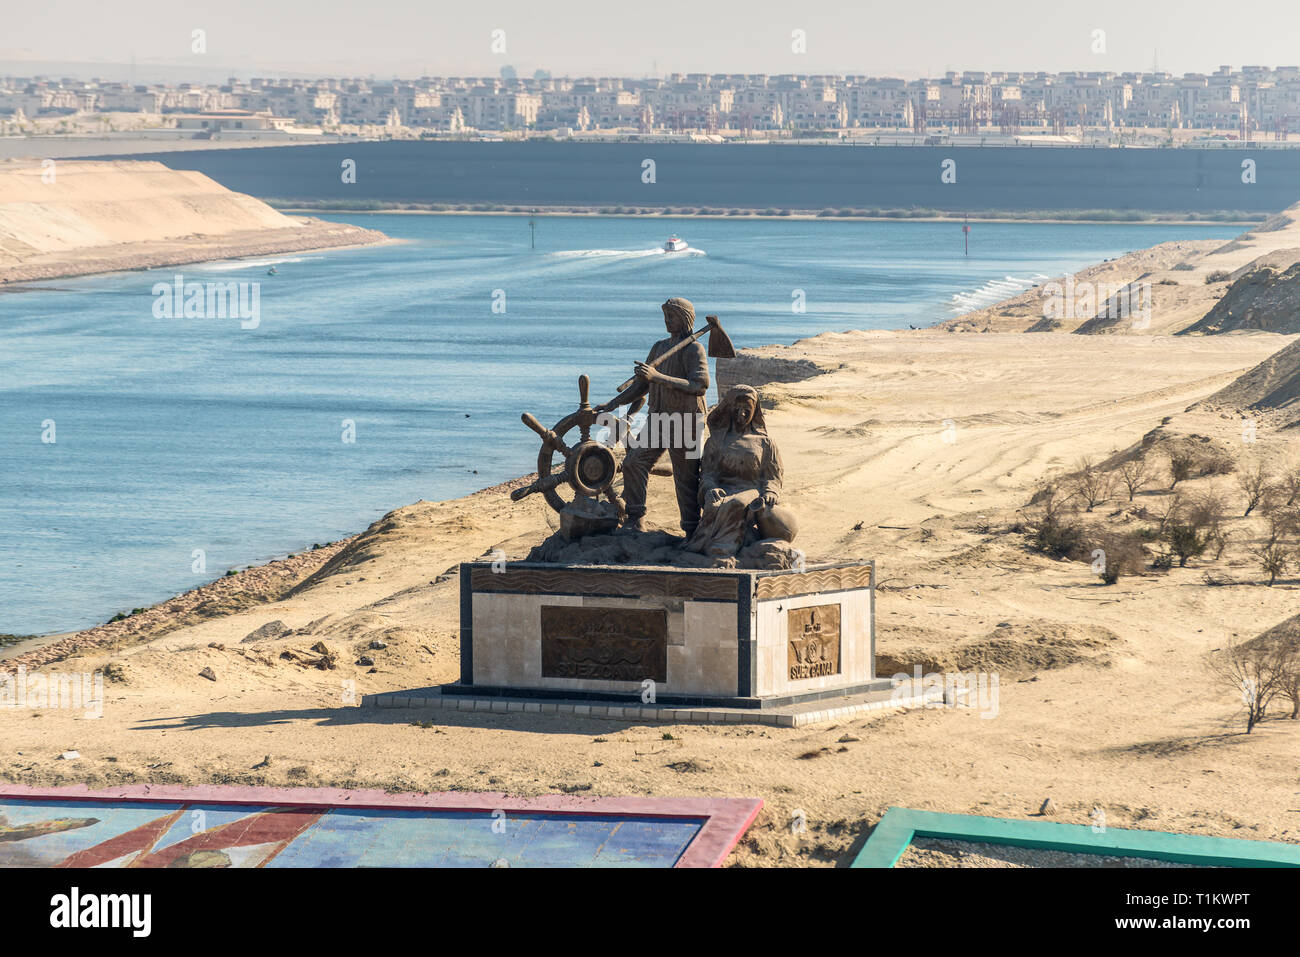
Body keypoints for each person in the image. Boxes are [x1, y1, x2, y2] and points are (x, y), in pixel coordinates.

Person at [599, 297, 708, 535]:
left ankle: (692, 530)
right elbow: (641, 386)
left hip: (686, 421)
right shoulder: (659, 347)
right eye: (666, 316)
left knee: (686, 478)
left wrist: (656, 377)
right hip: (658, 418)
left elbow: (699, 385)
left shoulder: (694, 349)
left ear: (686, 319)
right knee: (633, 463)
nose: (667, 321)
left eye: (673, 316)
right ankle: (635, 518)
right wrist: (613, 403)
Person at [684, 384, 797, 560]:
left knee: (736, 502)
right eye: (737, 408)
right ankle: (701, 544)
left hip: (751, 490)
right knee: (714, 505)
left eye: (747, 409)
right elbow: (708, 473)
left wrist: (770, 491)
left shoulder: (765, 443)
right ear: (729, 409)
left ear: (755, 411)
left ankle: (723, 548)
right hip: (723, 489)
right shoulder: (716, 441)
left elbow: (773, 475)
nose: (742, 414)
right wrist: (710, 488)